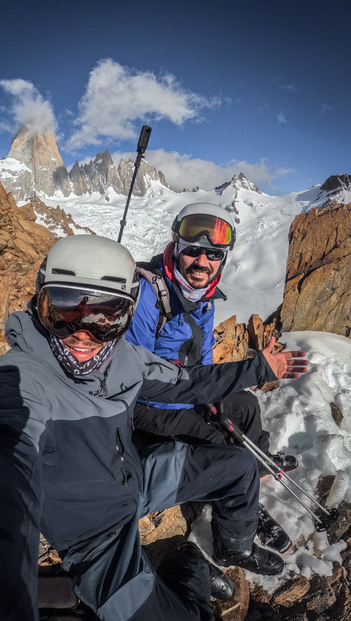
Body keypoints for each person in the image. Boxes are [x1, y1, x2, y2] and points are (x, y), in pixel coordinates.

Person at [0, 234, 309, 621]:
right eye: (65, 311)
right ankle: (190, 571)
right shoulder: (19, 380)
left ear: (127, 317)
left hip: (133, 479)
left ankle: (232, 548)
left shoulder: (125, 359)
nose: (83, 334)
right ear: (40, 304)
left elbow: (188, 382)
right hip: (96, 541)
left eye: (107, 316)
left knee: (238, 465)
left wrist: (258, 369)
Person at [125, 202, 298, 552]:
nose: (202, 263)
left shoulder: (203, 298)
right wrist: (194, 405)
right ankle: (239, 513)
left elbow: (203, 361)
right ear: (176, 247)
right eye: (193, 252)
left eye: (214, 254)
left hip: (186, 390)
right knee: (217, 443)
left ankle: (257, 466)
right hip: (147, 404)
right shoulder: (146, 294)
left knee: (245, 405)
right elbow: (136, 378)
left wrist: (210, 398)